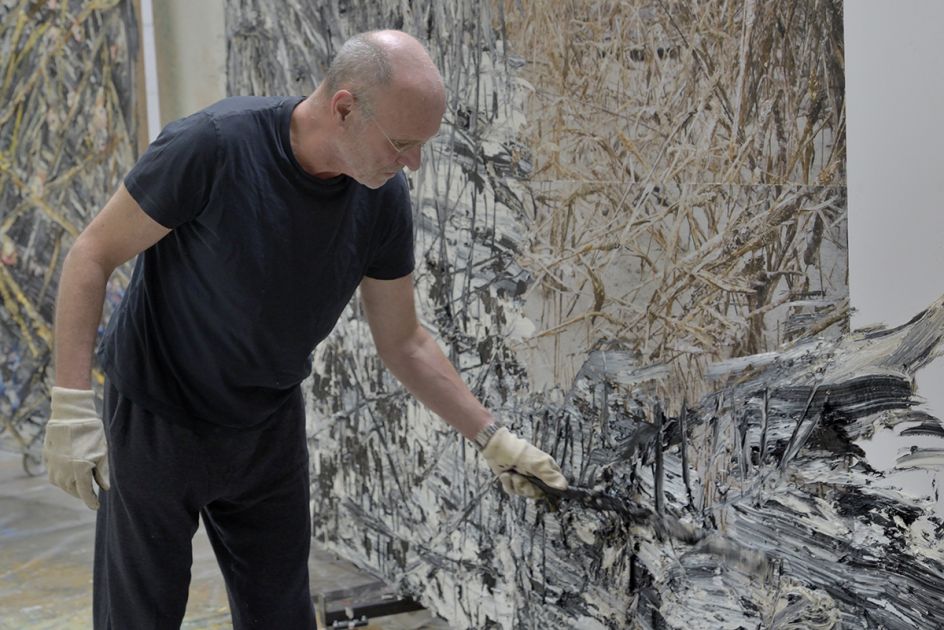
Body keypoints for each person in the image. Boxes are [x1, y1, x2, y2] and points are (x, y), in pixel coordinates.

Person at [42, 29, 567, 629]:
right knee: (141, 615)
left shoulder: (382, 198)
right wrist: (70, 407)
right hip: (160, 415)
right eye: (402, 143)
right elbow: (90, 254)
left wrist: (493, 437)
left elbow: (404, 341)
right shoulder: (212, 147)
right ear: (344, 107)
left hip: (266, 423)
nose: (413, 164)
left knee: (281, 616)